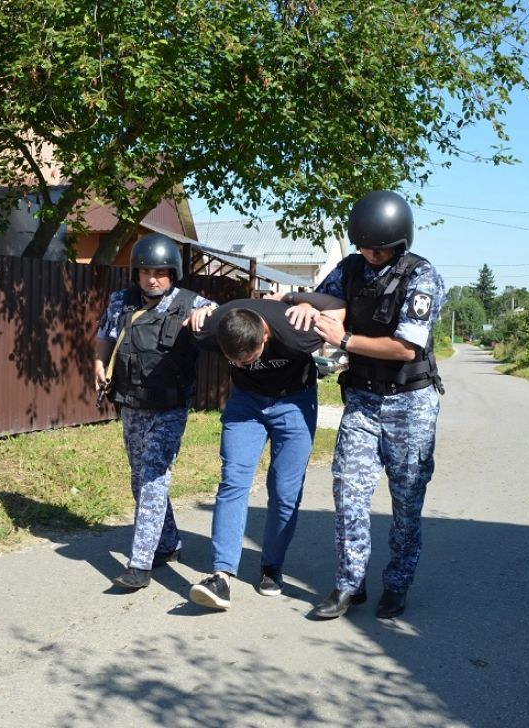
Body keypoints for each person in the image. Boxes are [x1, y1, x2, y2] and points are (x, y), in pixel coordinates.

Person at [284, 190, 444, 620]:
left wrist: (346, 340)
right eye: (364, 246)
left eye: (379, 248)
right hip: (362, 402)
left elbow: (407, 347)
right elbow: (326, 302)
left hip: (411, 404)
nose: (370, 255)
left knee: (406, 501)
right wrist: (302, 302)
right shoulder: (350, 269)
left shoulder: (422, 277)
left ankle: (398, 583)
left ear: (400, 242)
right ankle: (349, 583)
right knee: (348, 492)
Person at [186, 296, 341, 611]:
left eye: (248, 360)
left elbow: (339, 308)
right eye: (236, 362)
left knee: (285, 492)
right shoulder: (214, 327)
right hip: (246, 402)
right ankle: (221, 575)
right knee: (233, 481)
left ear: (266, 337)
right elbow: (188, 318)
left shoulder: (297, 332)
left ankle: (272, 565)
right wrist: (197, 312)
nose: (243, 366)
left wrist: (306, 303)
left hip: (294, 402)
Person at [94, 233, 216, 591]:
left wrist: (209, 315)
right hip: (132, 405)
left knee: (152, 479)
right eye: (146, 271)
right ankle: (168, 543)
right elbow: (105, 336)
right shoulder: (121, 301)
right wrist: (99, 364)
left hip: (169, 408)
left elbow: (225, 317)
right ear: (136, 273)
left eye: (160, 272)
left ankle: (140, 565)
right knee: (139, 479)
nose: (152, 279)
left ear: (172, 273)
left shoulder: (191, 302)